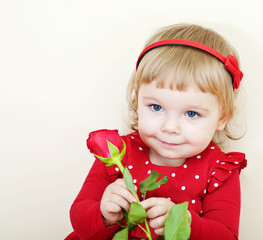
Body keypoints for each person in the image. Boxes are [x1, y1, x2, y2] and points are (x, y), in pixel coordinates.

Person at [66, 23, 247, 240]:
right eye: (156, 107)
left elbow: (226, 236)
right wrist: (103, 213)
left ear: (222, 117)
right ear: (137, 100)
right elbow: (80, 220)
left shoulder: (218, 170)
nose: (170, 128)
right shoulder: (116, 154)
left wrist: (185, 221)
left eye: (191, 113)